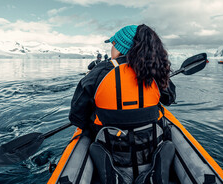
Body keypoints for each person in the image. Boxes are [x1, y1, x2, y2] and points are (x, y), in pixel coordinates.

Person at [69, 24, 176, 183]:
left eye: (112, 45)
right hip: (149, 142)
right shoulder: (155, 70)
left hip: (111, 145)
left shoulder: (99, 71)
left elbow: (76, 117)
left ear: (120, 47)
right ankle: (154, 171)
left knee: (92, 137)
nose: (111, 50)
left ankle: (112, 172)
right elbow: (169, 99)